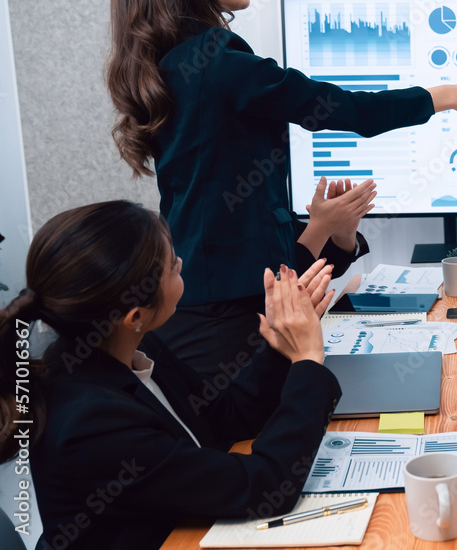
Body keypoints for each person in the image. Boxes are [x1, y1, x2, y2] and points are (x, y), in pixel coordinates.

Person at [105, 0, 457, 375]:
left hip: (206, 309)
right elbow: (351, 111)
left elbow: (231, 217)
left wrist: (326, 228)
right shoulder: (219, 63)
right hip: (227, 320)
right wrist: (447, 95)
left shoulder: (172, 65)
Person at [0, 201, 340, 550]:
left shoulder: (129, 348)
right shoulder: (90, 422)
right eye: (171, 267)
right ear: (134, 316)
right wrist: (308, 362)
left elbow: (226, 417)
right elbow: (267, 487)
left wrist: (281, 345)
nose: (181, 263)